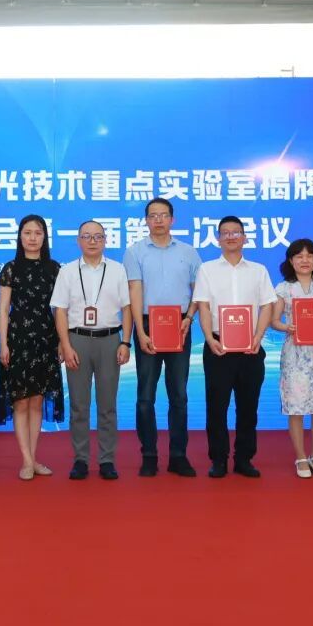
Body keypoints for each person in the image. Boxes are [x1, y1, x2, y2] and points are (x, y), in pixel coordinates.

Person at [123, 197, 201, 478]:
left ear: (172, 219)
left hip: (180, 325)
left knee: (179, 394)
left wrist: (189, 317)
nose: (158, 220)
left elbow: (199, 291)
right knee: (145, 396)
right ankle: (149, 455)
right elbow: (134, 292)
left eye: (163, 215)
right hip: (147, 325)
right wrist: (140, 331)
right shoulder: (134, 252)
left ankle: (178, 456)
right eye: (153, 215)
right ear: (146, 220)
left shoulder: (189, 252)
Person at [192, 216, 276, 478]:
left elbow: (267, 305)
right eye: (225, 233)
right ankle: (218, 459)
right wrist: (209, 339)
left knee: (248, 406)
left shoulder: (259, 270)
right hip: (218, 346)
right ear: (218, 239)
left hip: (251, 347)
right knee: (217, 406)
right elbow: (203, 306)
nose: (230, 237)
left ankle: (244, 458)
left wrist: (259, 337)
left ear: (244, 237)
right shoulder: (207, 269)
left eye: (235, 232)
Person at [50, 220, 132, 481]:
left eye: (98, 236)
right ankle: (81, 460)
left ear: (106, 240)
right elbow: (60, 310)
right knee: (79, 405)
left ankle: (107, 460)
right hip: (78, 340)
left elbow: (127, 308)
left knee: (107, 405)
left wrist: (125, 342)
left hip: (109, 340)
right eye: (86, 236)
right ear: (78, 241)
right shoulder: (67, 271)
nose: (92, 241)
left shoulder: (118, 270)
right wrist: (65, 345)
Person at [0, 215, 65, 481]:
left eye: (38, 233)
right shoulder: (11, 268)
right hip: (18, 339)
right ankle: (25, 460)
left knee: (37, 401)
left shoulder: (55, 269)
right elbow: (3, 310)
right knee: (20, 401)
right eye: (27, 232)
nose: (32, 237)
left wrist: (62, 341)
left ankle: (33, 459)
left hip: (46, 339)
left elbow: (60, 309)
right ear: (20, 236)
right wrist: (3, 344)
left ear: (45, 237)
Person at [270, 238, 313, 479]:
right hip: (294, 354)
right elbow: (274, 320)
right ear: (291, 261)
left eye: (310, 256)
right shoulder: (283, 288)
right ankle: (300, 457)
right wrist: (287, 327)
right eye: (299, 256)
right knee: (296, 407)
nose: (305, 260)